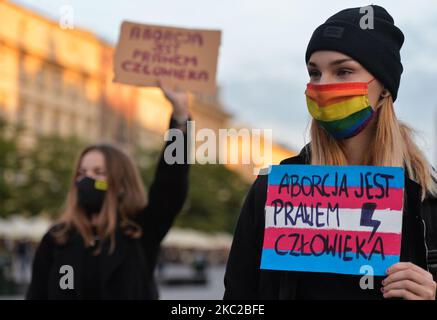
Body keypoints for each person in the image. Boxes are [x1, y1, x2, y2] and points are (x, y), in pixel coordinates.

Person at [224, 5, 437, 300]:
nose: (323, 86)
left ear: (384, 89)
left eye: (343, 71)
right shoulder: (272, 191)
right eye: (314, 72)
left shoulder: (427, 198)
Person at [26, 86, 191, 299]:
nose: (87, 179)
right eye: (82, 172)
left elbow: (171, 185)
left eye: (98, 172)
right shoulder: (57, 239)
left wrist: (180, 120)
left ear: (121, 184)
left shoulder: (140, 232)